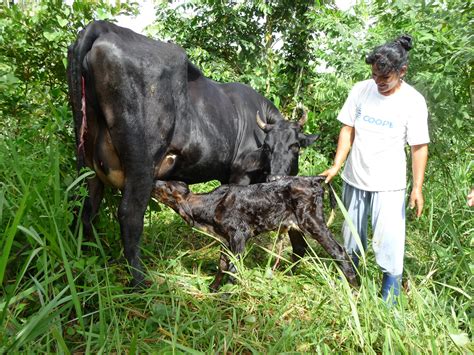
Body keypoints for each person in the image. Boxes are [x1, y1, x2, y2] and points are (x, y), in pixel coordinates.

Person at [321, 35, 429, 303]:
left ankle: (389, 303)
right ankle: (349, 292)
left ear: (402, 72)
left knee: (389, 245)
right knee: (351, 240)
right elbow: (348, 129)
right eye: (375, 76)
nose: (379, 82)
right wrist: (337, 165)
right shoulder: (361, 89)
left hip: (389, 186)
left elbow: (419, 147)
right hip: (355, 178)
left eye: (386, 78)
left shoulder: (413, 102)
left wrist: (417, 188)